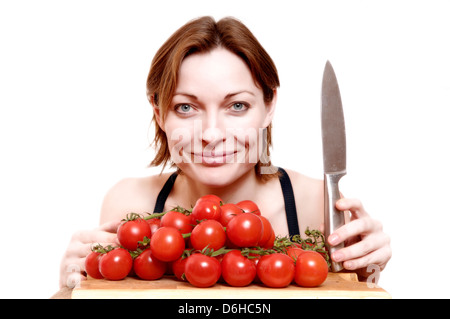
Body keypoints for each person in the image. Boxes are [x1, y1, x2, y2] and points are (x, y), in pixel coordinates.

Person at [59, 16, 391, 288]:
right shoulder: (128, 205)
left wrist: (368, 274)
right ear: (159, 113)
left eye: (237, 105)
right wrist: (67, 289)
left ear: (269, 106)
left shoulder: (317, 204)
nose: (212, 134)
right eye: (186, 107)